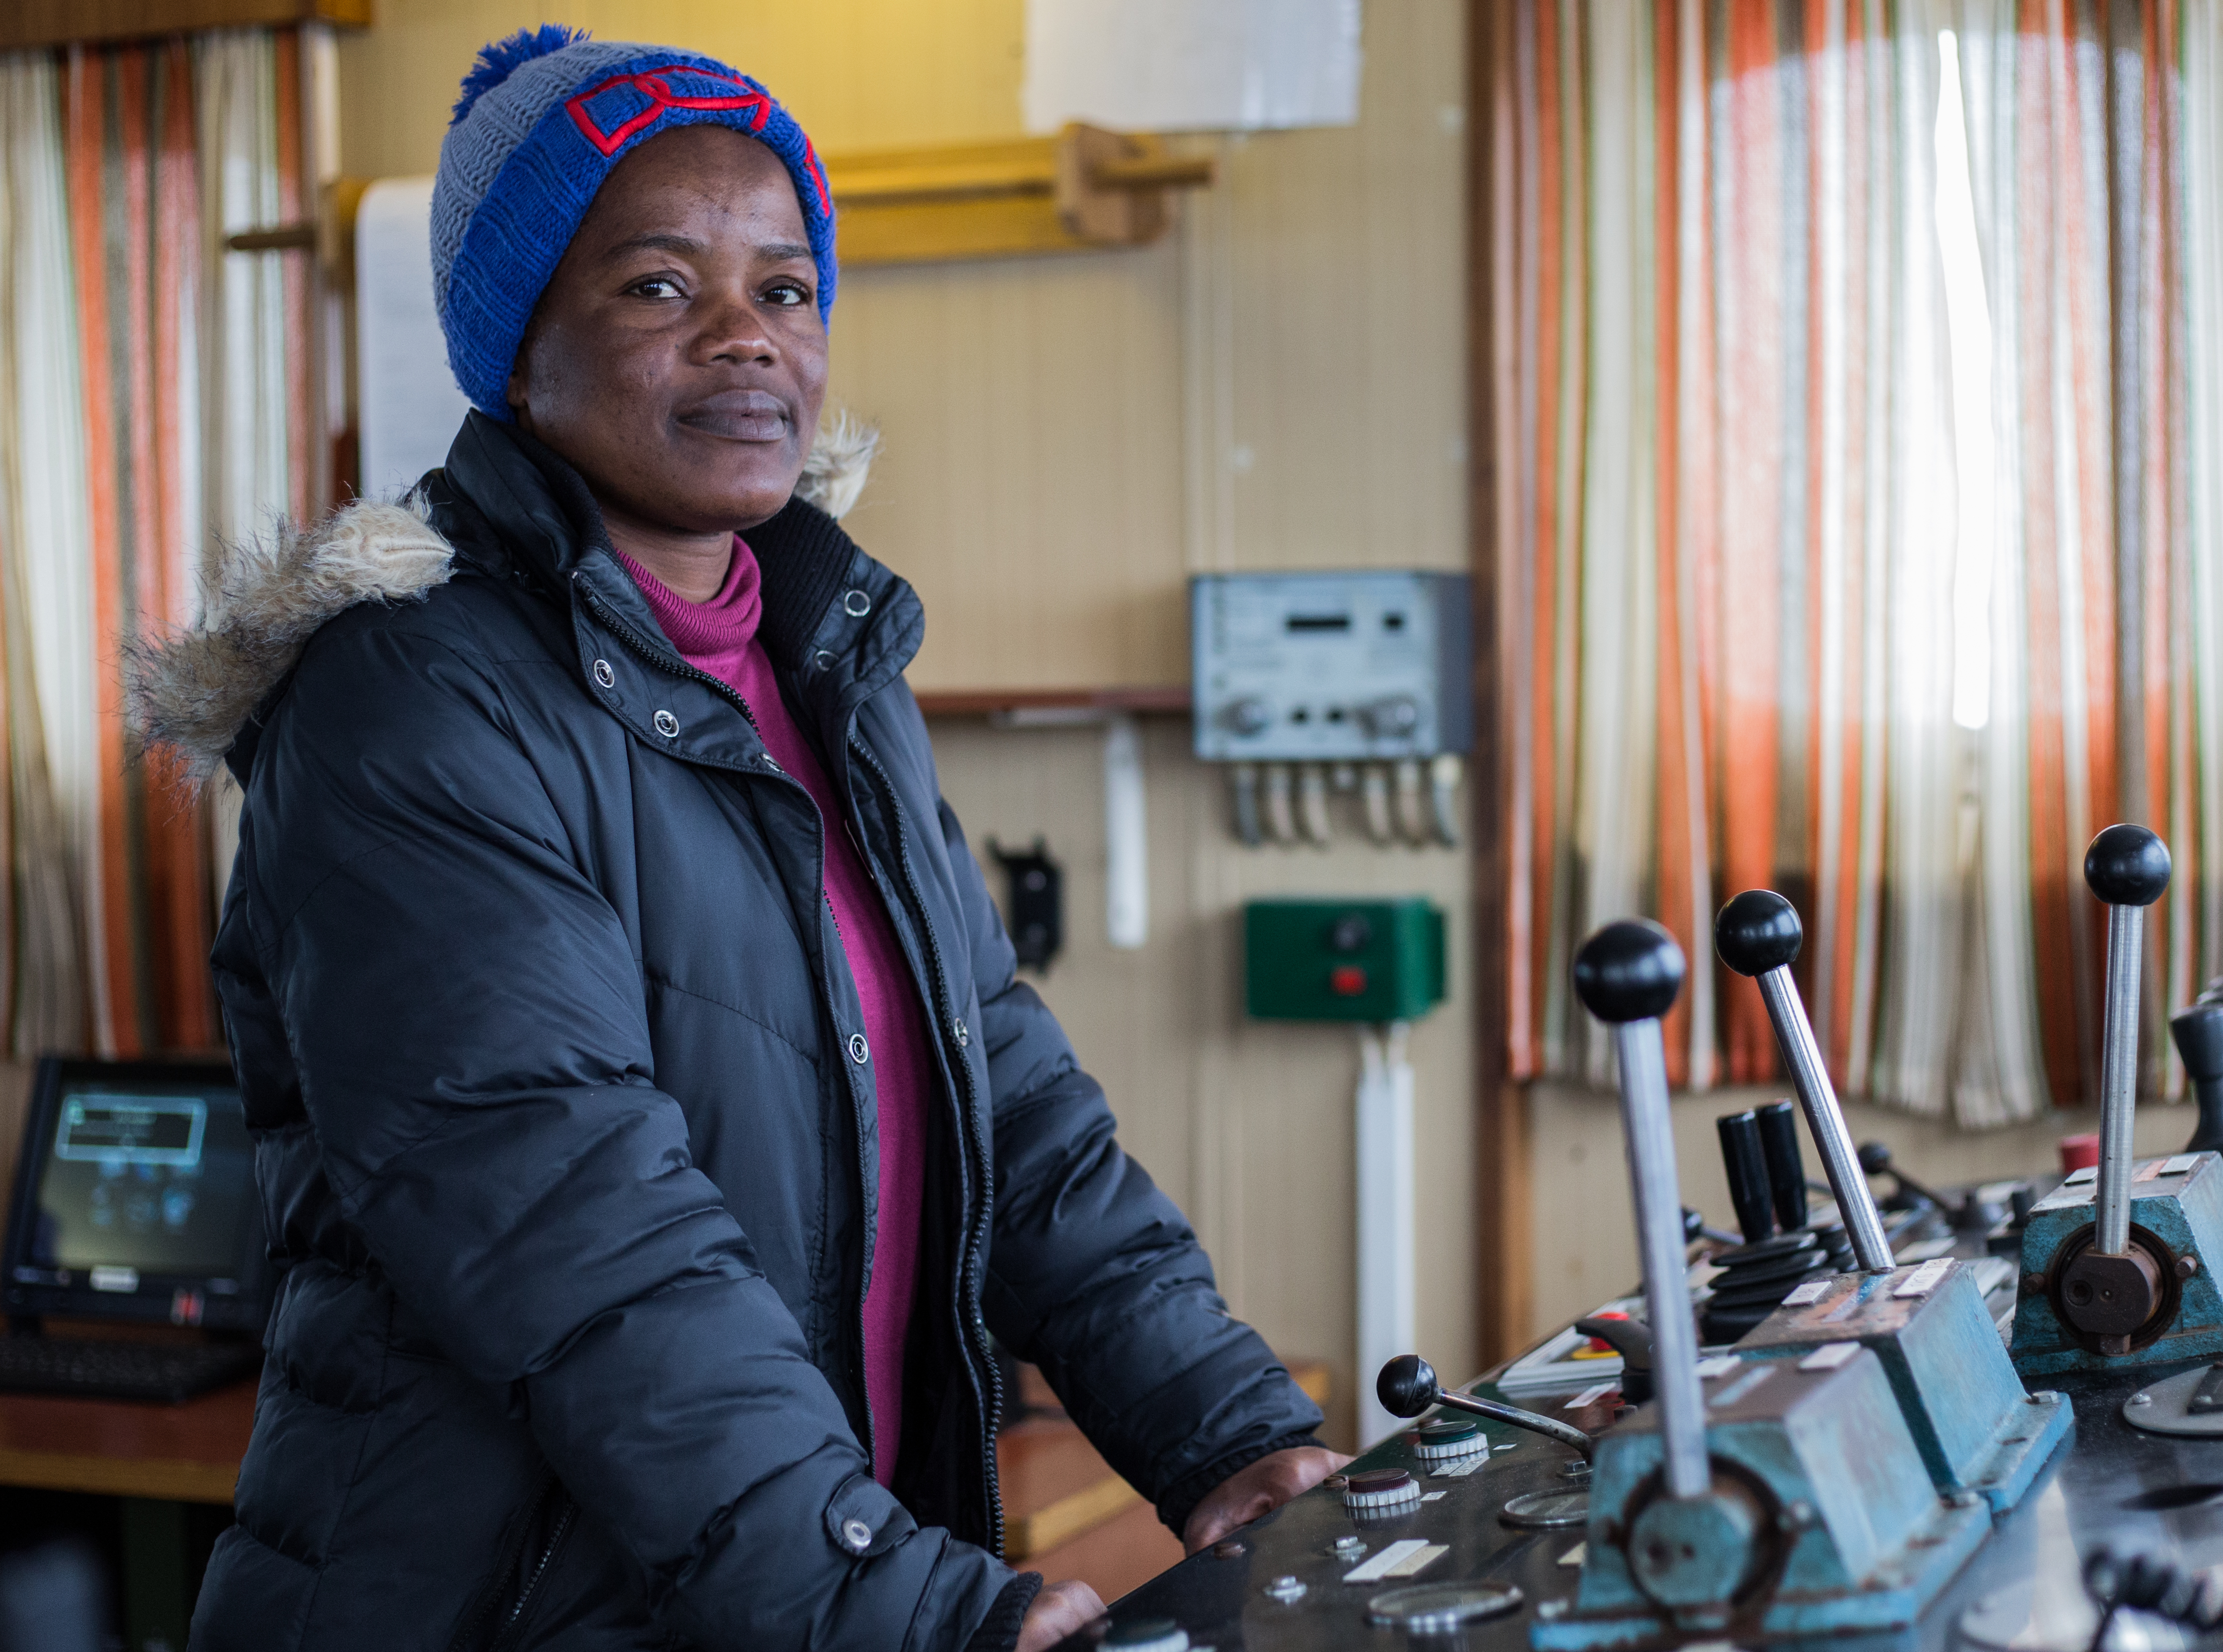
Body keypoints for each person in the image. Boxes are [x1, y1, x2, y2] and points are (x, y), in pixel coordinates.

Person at [134, 29, 1347, 1651]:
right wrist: (887, 1596)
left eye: (785, 289)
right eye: (656, 286)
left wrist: (1223, 1433)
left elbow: (1008, 1094)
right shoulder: (409, 703)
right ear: (518, 340)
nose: (746, 340)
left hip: (775, 1576)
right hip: (499, 1609)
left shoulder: (823, 658)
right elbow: (578, 1232)